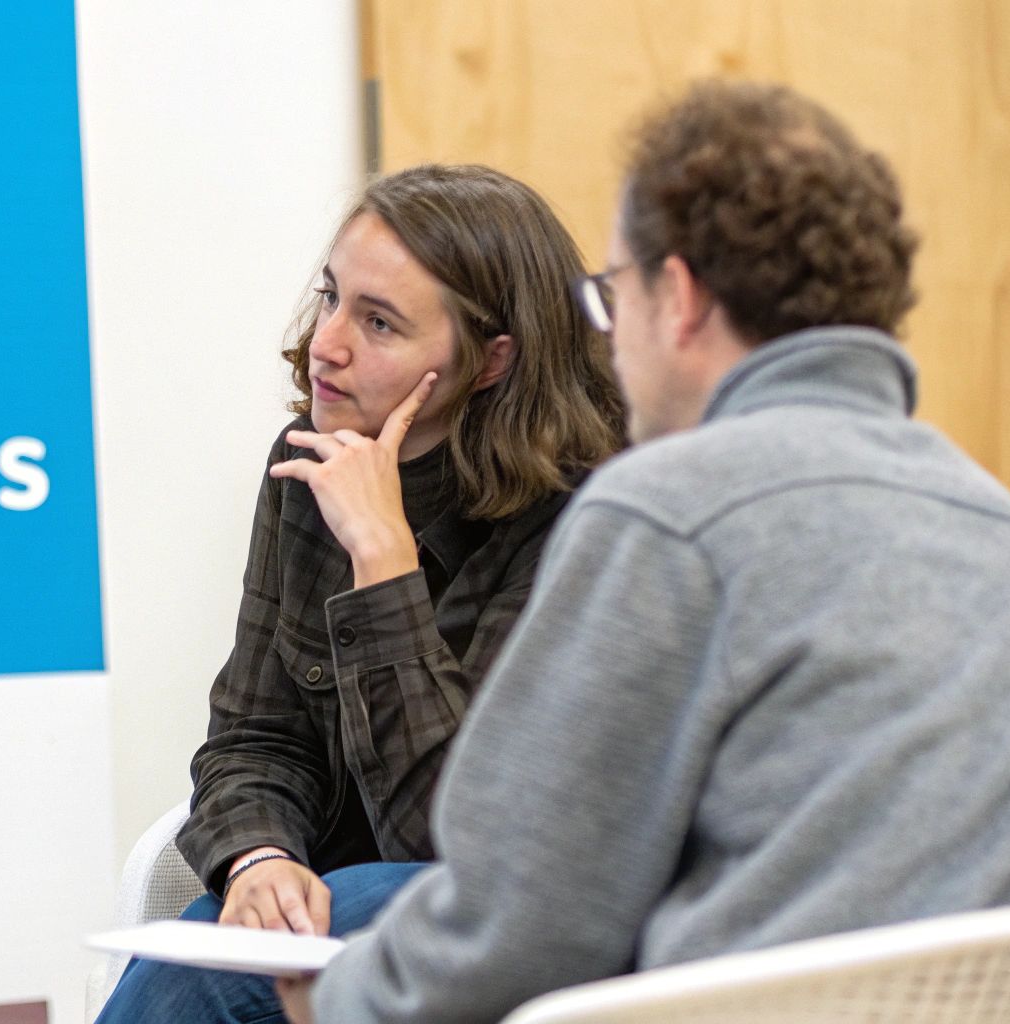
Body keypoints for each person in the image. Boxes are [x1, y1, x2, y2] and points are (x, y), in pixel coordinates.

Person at [275, 80, 1010, 1024]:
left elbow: (521, 927)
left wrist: (340, 998)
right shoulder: (1001, 525)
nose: (609, 346)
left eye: (614, 296)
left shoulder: (667, 516)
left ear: (681, 300)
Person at [95, 165, 626, 1023]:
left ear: (491, 362)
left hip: (515, 917)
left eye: (378, 323)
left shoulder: (582, 518)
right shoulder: (311, 459)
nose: (326, 345)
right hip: (341, 888)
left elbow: (455, 840)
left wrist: (384, 563)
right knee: (200, 940)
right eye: (331, 297)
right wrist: (259, 857)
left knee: (201, 985)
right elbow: (253, 737)